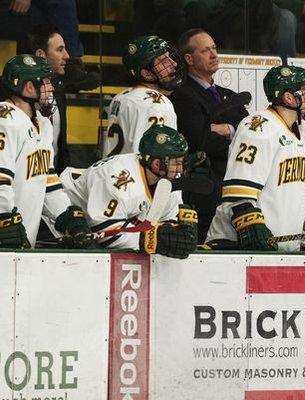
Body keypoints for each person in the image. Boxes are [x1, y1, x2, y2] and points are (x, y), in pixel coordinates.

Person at [203, 65, 305, 252]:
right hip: (234, 247)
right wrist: (252, 225)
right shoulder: (257, 127)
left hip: (283, 251)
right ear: (288, 97)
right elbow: (239, 198)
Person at [60, 124, 198, 258]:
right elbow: (105, 233)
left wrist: (173, 234)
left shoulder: (166, 181)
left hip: (95, 217)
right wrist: (151, 239)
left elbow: (166, 225)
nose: (180, 169)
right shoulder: (119, 181)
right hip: (61, 211)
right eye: (176, 163)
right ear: (157, 163)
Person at [0, 54, 92, 248]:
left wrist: (65, 216)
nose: (51, 87)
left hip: (23, 242)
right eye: (45, 82)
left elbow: (47, 183)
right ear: (28, 87)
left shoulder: (43, 124)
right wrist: (4, 221)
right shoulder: (5, 120)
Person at [171, 29, 248, 242]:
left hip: (234, 193)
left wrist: (225, 130)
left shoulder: (230, 96)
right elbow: (201, 142)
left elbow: (248, 133)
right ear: (189, 59)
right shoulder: (183, 96)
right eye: (205, 51)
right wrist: (235, 136)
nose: (214, 54)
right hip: (205, 197)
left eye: (214, 48)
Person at [102, 35, 184, 157]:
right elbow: (148, 157)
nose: (174, 63)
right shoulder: (155, 104)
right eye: (163, 61)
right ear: (147, 74)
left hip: (115, 172)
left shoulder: (120, 97)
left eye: (170, 57)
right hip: (136, 174)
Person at [18, 23, 71, 173]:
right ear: (41, 54)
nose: (67, 56)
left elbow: (62, 146)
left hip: (52, 182)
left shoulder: (58, 90)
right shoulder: (12, 95)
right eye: (60, 50)